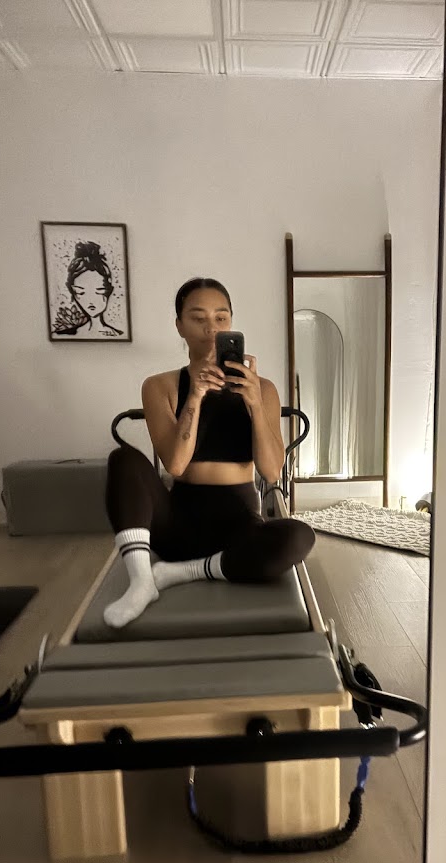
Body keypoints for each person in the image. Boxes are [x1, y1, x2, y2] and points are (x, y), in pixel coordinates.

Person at [102, 276, 315, 628]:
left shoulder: (263, 388)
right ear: (179, 326)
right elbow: (175, 464)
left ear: (231, 323)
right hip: (176, 524)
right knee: (122, 459)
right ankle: (141, 582)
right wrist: (196, 395)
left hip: (238, 527)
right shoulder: (159, 386)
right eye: (198, 318)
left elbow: (272, 471)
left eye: (221, 318)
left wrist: (254, 404)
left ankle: (181, 573)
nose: (211, 328)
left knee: (299, 537)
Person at [53, 240, 123, 337]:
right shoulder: (63, 335)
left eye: (99, 291)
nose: (90, 300)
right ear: (73, 292)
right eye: (81, 292)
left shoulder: (117, 335)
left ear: (108, 291)